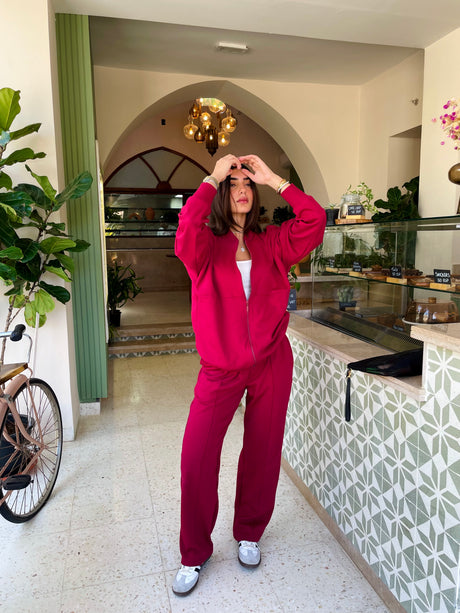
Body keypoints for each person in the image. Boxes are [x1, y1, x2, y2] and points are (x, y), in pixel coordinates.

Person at [172, 153, 326, 596]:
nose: (241, 189)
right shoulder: (204, 245)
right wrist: (211, 178)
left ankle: (249, 532)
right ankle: (194, 551)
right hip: (220, 366)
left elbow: (315, 220)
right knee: (197, 456)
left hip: (271, 360)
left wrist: (275, 178)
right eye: (233, 183)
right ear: (222, 192)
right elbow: (185, 231)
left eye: (247, 184)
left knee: (263, 449)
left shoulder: (273, 241)